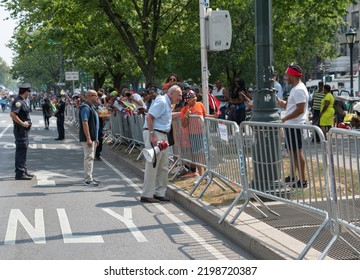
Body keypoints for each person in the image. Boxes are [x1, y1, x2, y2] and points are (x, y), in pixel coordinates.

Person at [141, 85, 183, 203]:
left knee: (163, 165)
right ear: (172, 93)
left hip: (162, 135)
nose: (181, 97)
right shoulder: (162, 101)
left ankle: (159, 193)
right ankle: (147, 194)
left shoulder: (166, 102)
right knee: (153, 165)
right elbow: (149, 117)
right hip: (156, 134)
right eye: (179, 95)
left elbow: (166, 117)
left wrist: (181, 113)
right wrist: (152, 135)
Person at [278, 63, 309, 188]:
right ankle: (292, 177)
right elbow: (289, 107)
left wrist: (285, 118)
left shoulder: (299, 89)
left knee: (297, 152)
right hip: (292, 125)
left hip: (295, 125)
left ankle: (302, 181)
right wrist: (279, 101)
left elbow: (300, 110)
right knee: (292, 152)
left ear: (292, 75)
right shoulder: (295, 89)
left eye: (287, 75)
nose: (285, 77)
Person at [181, 91, 218, 184]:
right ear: (187, 100)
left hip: (203, 133)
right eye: (192, 97)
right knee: (198, 155)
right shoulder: (184, 109)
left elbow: (204, 116)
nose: (195, 98)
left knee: (204, 154)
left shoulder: (200, 104)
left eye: (195, 96)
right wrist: (186, 116)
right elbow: (184, 125)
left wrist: (213, 116)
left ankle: (206, 174)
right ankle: (202, 175)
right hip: (193, 134)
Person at [9, 83, 34, 180]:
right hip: (20, 130)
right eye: (28, 91)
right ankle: (20, 173)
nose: (29, 93)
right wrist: (23, 123)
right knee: (21, 151)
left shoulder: (23, 101)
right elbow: (12, 114)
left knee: (23, 150)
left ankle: (23, 170)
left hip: (24, 131)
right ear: (26, 91)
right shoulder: (18, 102)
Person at [79, 90, 100, 186]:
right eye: (95, 95)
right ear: (89, 96)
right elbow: (85, 122)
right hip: (88, 138)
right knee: (89, 158)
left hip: (92, 138)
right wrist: (88, 138)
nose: (97, 97)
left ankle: (89, 177)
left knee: (91, 158)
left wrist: (96, 138)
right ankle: (88, 179)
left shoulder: (92, 107)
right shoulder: (86, 108)